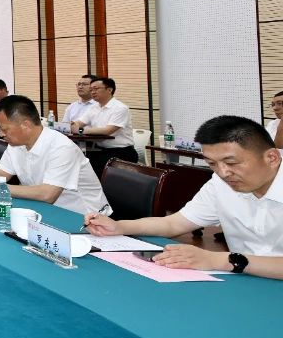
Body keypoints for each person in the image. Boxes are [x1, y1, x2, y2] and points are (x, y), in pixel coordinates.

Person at [85, 115, 283, 279]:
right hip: (247, 280)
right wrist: (120, 227)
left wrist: (220, 260)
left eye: (231, 163)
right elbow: (174, 224)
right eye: (212, 163)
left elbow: (221, 260)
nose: (223, 172)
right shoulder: (220, 184)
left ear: (271, 158)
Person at [0, 95, 109, 216]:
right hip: (43, 209)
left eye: (4, 129)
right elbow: (0, 174)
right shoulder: (16, 144)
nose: (1, 134)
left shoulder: (61, 147)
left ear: (26, 125)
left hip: (84, 217)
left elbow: (48, 194)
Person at [70, 76, 136, 175]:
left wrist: (80, 130)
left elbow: (108, 131)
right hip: (99, 149)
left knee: (94, 171)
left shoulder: (120, 108)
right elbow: (79, 123)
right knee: (77, 163)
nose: (93, 92)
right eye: (91, 89)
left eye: (96, 89)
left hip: (120, 152)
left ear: (109, 90)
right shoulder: (94, 107)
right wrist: (73, 125)